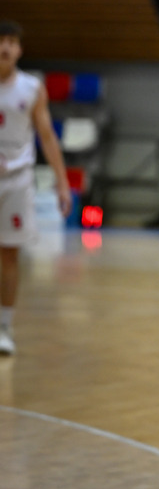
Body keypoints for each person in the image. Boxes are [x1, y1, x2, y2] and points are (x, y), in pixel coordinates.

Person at [0, 20, 72, 355]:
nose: (6, 48)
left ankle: (3, 327)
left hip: (16, 179)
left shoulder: (31, 87)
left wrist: (62, 183)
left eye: (12, 42)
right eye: (1, 41)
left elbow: (46, 137)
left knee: (8, 253)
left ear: (20, 50)